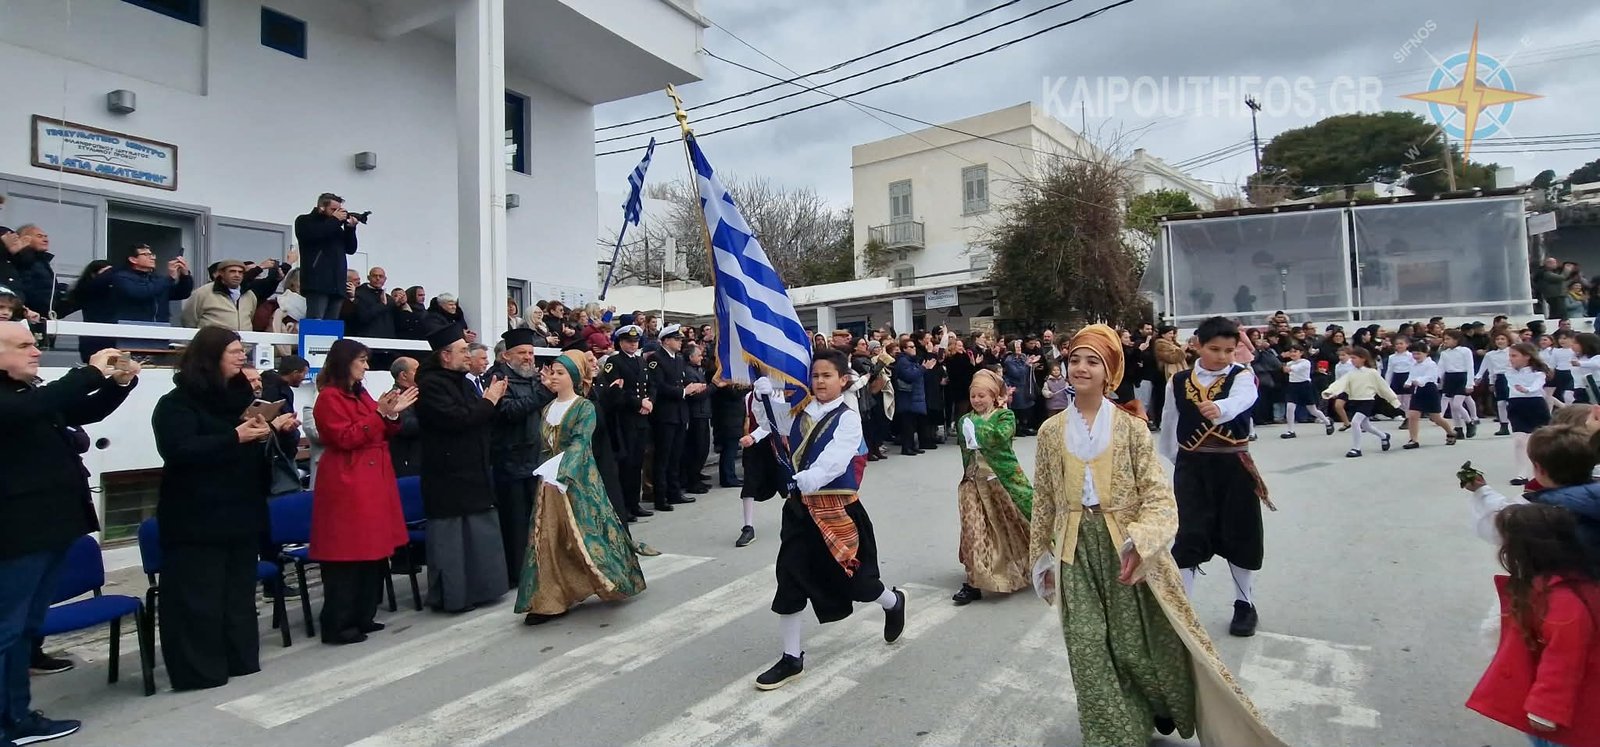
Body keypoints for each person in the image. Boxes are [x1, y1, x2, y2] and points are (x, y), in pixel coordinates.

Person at [1030, 325, 1285, 747]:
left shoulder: (1129, 428)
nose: (1080, 368)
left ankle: (1156, 702)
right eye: (1075, 359)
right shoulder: (1050, 431)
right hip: (1075, 549)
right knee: (1086, 643)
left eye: (1092, 361)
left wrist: (1142, 542)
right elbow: (1043, 498)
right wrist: (1041, 556)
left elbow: (1158, 496)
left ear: (1110, 370)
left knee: (1133, 646)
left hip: (1125, 547)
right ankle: (1114, 734)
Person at [0, 324, 138, 745]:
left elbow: (81, 411)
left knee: (24, 628)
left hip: (49, 531)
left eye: (35, 343)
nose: (36, 351)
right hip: (18, 536)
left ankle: (17, 715)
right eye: (23, 345)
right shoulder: (14, 401)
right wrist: (90, 372)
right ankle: (7, 723)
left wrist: (119, 383)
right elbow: (41, 405)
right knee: (7, 631)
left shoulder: (25, 394)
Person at [748, 350, 907, 691]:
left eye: (827, 375)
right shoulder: (798, 410)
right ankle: (792, 658)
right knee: (789, 580)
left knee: (859, 584)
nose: (819, 381)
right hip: (800, 511)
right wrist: (762, 398)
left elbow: (837, 457)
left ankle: (893, 602)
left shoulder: (848, 418)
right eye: (815, 375)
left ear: (843, 380)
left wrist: (813, 476)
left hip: (837, 510)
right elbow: (769, 425)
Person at [152, 326, 296, 690]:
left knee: (237, 594)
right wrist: (235, 436)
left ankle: (239, 658)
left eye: (242, 350)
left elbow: (247, 448)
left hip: (241, 510)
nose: (241, 356)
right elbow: (179, 450)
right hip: (196, 516)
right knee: (199, 596)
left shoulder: (239, 399)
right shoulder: (176, 404)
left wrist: (269, 431)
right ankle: (201, 671)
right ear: (209, 358)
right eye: (233, 351)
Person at [1157, 316, 1270, 637]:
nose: (1222, 356)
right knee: (1189, 534)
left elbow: (1245, 399)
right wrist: (1177, 458)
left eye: (1229, 351)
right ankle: (1183, 609)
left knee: (1241, 533)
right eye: (1215, 349)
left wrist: (1221, 409)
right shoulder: (1178, 381)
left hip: (1233, 466)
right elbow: (1170, 420)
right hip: (1192, 467)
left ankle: (1245, 603)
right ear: (1197, 346)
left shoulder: (1242, 376)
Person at [515, 351, 647, 625]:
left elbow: (580, 443)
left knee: (589, 535)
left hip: (577, 481)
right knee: (548, 539)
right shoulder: (547, 409)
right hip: (549, 485)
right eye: (552, 372)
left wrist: (561, 471)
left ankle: (615, 580)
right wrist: (543, 471)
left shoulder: (584, 408)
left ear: (573, 377)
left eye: (560, 373)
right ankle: (548, 600)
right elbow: (544, 446)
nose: (553, 377)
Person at [1466, 504, 1600, 746]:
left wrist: (1546, 708)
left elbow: (1564, 658)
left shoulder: (1563, 601)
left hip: (1567, 714)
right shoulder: (1563, 584)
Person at [309, 339, 415, 644]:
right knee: (347, 554)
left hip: (372, 477)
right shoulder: (329, 398)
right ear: (345, 362)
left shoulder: (360, 393)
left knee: (372, 551)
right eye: (362, 360)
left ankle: (363, 614)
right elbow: (344, 437)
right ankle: (339, 622)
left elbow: (383, 428)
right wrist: (380, 414)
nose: (366, 367)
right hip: (348, 479)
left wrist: (392, 414)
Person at [415, 325, 510, 613]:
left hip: (473, 471)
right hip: (448, 476)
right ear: (445, 356)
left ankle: (483, 589)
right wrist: (490, 400)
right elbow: (459, 419)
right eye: (463, 351)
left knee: (478, 536)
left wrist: (491, 403)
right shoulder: (431, 386)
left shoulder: (463, 382)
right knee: (453, 542)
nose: (469, 355)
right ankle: (455, 596)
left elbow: (480, 417)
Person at [951, 369, 1033, 605]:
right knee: (973, 531)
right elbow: (966, 449)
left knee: (1011, 527)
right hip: (973, 482)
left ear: (994, 396)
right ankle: (973, 581)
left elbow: (1000, 437)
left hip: (999, 481)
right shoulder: (964, 420)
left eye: (982, 396)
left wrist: (977, 429)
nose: (977, 400)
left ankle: (1023, 565)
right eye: (973, 396)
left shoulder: (1005, 417)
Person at [488, 328, 554, 585]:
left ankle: (537, 565)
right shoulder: (498, 379)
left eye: (530, 353)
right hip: (510, 460)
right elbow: (509, 412)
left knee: (536, 518)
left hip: (535, 458)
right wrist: (543, 394)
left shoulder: (534, 378)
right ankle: (517, 573)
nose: (528, 357)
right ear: (506, 356)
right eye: (522, 353)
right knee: (515, 521)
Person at [597, 325, 654, 520]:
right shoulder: (614, 362)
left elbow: (650, 385)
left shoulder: (641, 361)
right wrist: (639, 403)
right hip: (625, 418)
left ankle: (634, 503)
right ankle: (624, 506)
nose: (633, 345)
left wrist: (650, 401)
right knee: (626, 464)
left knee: (637, 462)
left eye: (635, 341)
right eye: (629, 342)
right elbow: (617, 391)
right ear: (620, 342)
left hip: (642, 417)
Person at [646, 325, 697, 511]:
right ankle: (661, 497)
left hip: (679, 413)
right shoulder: (656, 359)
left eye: (680, 339)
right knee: (663, 457)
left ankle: (674, 492)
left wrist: (691, 388)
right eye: (676, 339)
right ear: (666, 340)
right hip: (665, 414)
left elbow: (681, 380)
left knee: (675, 456)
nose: (680, 342)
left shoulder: (679, 359)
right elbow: (659, 386)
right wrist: (683, 391)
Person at [1320, 347, 1399, 458]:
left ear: (1363, 358)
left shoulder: (1372, 373)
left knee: (1355, 422)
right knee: (1366, 426)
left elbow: (1383, 387)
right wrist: (1330, 391)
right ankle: (1384, 436)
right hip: (1354, 401)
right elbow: (1340, 383)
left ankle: (1356, 448)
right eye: (1351, 358)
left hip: (1367, 401)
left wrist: (1393, 400)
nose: (1352, 360)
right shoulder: (1351, 373)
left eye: (1354, 358)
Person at [294, 193, 360, 320]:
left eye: (339, 210)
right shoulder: (304, 221)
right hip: (317, 282)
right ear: (321, 207)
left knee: (332, 325)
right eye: (333, 209)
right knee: (316, 321)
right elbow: (314, 235)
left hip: (337, 284)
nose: (338, 213)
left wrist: (350, 229)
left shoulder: (336, 228)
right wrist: (335, 220)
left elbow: (350, 249)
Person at [1506, 343, 1554, 485]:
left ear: (1527, 356)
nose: (1511, 359)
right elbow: (1512, 384)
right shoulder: (1509, 372)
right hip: (1516, 404)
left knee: (1540, 440)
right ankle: (1521, 474)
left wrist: (1527, 389)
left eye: (1514, 356)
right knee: (1519, 440)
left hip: (1535, 404)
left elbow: (1537, 385)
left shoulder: (1538, 373)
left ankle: (1545, 470)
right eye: (1510, 356)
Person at [1401, 340, 1457, 450]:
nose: (1416, 356)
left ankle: (1451, 432)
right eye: (1414, 354)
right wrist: (1408, 382)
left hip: (1430, 391)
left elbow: (1430, 377)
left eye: (1418, 353)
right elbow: (1411, 375)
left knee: (1435, 417)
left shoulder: (1431, 364)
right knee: (1413, 415)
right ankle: (1413, 439)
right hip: (1417, 391)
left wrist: (1419, 381)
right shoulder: (1413, 364)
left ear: (1426, 353)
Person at [1279, 345, 1333, 439]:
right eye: (1291, 352)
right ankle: (1290, 431)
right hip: (1293, 386)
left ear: (1301, 353)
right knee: (1290, 407)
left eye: (1295, 351)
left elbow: (1295, 368)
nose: (1292, 354)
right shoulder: (1289, 363)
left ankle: (1327, 422)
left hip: (1305, 386)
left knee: (1313, 410)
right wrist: (1282, 360)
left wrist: (1288, 368)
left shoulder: (1306, 362)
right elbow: (1285, 369)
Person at [681, 344, 713, 495]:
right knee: (696, 449)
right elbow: (697, 395)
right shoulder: (688, 372)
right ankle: (692, 481)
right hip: (696, 414)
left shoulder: (697, 370)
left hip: (703, 413)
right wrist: (714, 386)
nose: (701, 357)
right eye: (698, 355)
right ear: (690, 357)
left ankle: (696, 477)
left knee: (703, 448)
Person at [386, 357, 423, 478]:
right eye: (416, 370)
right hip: (409, 463)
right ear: (403, 375)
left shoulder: (419, 393)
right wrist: (432, 420)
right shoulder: (394, 397)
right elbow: (404, 425)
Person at [892, 339, 930, 455]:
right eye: (911, 347)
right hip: (907, 397)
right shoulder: (903, 361)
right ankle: (906, 447)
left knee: (912, 424)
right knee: (907, 424)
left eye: (914, 347)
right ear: (904, 349)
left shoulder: (912, 361)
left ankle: (912, 446)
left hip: (914, 396)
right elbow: (909, 376)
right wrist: (923, 368)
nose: (914, 349)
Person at [1481, 330, 1516, 436]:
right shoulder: (1491, 355)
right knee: (1501, 403)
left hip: (1512, 377)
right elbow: (1491, 370)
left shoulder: (1513, 351)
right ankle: (1504, 426)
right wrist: (1491, 382)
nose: (1500, 341)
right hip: (1499, 378)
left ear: (1508, 340)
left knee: (1513, 402)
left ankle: (1517, 423)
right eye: (1497, 339)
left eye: (1502, 339)